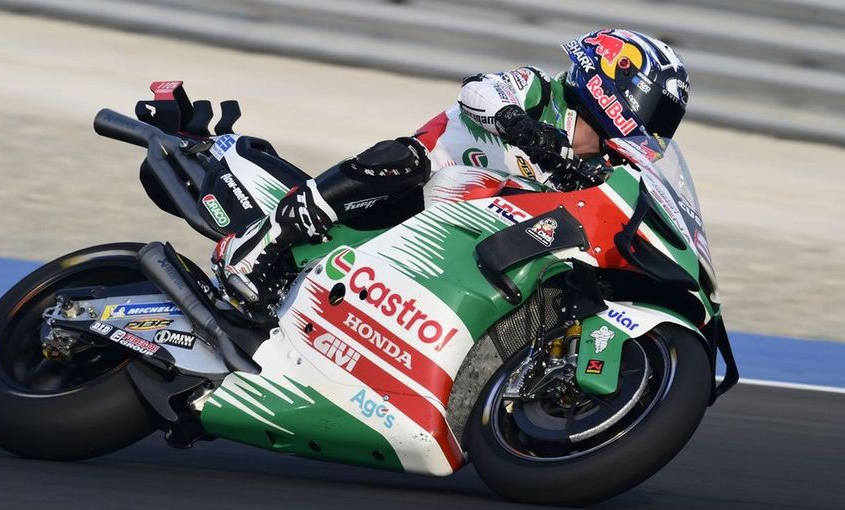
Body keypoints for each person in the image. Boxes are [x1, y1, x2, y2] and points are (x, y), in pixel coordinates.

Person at [213, 28, 691, 311]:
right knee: (404, 159)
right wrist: (518, 124)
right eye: (656, 113)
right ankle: (260, 247)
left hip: (474, 235)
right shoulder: (540, 90)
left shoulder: (600, 168)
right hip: (420, 183)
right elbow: (478, 89)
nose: (655, 129)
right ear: (622, 85)